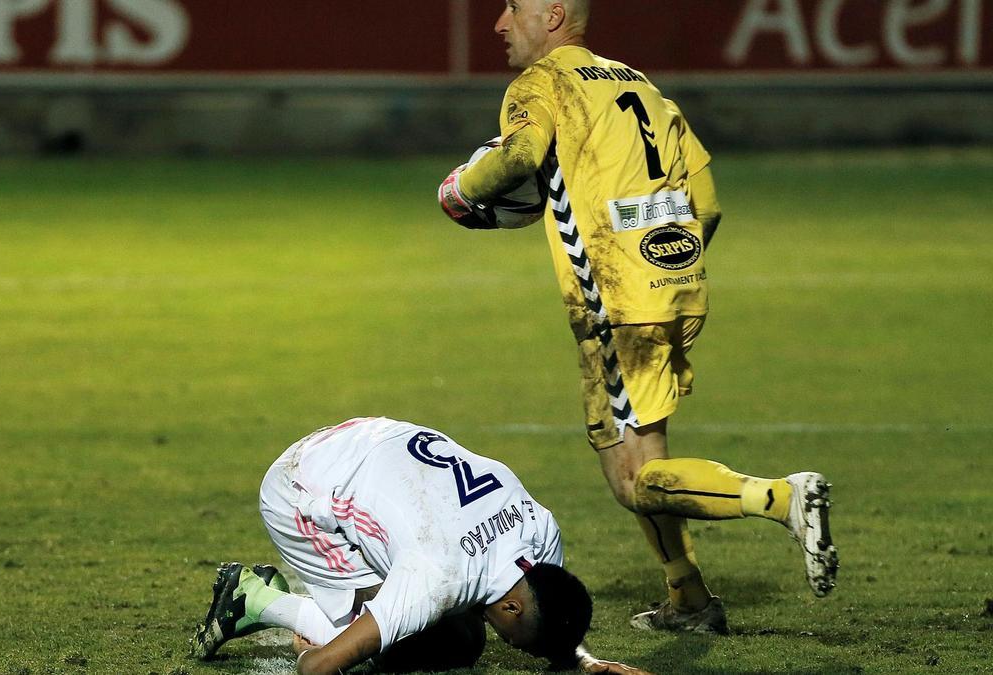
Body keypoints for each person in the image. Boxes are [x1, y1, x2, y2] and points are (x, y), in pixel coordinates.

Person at [437, 0, 837, 634]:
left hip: (617, 304)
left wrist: (459, 191)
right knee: (650, 456)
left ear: (553, 15)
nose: (500, 24)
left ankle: (781, 498)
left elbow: (517, 159)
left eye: (513, 8)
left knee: (631, 480)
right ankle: (690, 600)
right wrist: (665, 263)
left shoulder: (542, 83)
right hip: (675, 290)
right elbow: (706, 204)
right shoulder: (638, 84)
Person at [190, 417, 650, 674]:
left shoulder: (540, 533)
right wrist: (311, 650)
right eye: (525, 648)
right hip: (302, 487)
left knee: (463, 639)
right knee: (379, 651)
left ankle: (323, 610)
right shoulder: (438, 576)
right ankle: (255, 598)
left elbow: (549, 615)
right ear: (511, 610)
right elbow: (317, 670)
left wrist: (586, 663)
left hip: (374, 440)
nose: (520, 652)